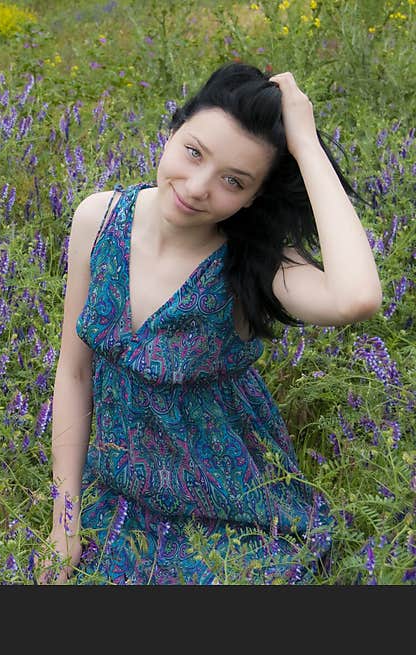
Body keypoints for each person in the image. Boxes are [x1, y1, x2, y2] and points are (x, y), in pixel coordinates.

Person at [40, 62, 383, 584]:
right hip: (120, 496)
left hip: (231, 509)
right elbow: (74, 374)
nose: (198, 187)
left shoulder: (251, 261)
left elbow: (357, 297)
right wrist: (63, 521)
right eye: (193, 152)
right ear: (174, 128)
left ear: (253, 197)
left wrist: (306, 146)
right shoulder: (99, 219)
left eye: (233, 181)